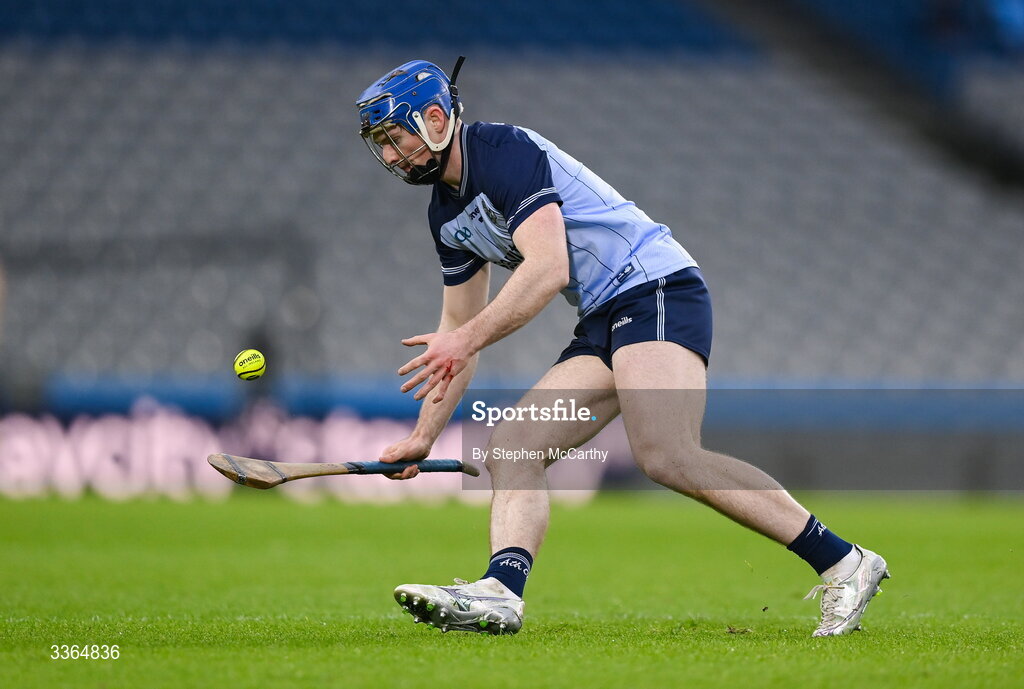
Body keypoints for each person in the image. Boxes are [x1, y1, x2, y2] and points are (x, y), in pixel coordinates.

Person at [356, 59, 889, 637]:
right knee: (514, 446)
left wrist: (461, 339)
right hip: (604, 314)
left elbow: (549, 269)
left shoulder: (501, 151)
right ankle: (502, 592)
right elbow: (456, 334)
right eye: (380, 145)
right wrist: (422, 436)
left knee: (666, 453)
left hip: (655, 286)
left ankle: (845, 561)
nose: (389, 156)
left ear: (435, 119)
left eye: (394, 137)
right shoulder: (446, 213)